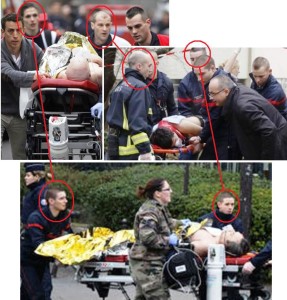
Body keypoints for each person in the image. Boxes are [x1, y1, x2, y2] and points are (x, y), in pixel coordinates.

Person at [129, 178, 191, 300]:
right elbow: (148, 237)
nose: (171, 191)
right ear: (157, 193)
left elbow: (164, 223)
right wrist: (169, 240)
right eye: (168, 189)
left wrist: (180, 223)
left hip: (149, 262)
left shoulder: (158, 208)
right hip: (147, 264)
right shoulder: (149, 210)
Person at [209, 74, 287, 160]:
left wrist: (264, 160)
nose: (211, 98)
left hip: (278, 145)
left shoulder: (243, 107)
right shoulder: (237, 91)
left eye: (213, 94)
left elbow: (269, 130)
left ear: (226, 91)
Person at [1, 13, 45, 160]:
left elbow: (47, 66)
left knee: (20, 157)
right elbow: (8, 74)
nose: (15, 35)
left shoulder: (33, 48)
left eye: (18, 30)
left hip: (20, 113)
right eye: (10, 31)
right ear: (2, 33)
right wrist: (33, 76)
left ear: (24, 30)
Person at [21, 187, 72, 299]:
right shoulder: (36, 218)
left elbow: (70, 238)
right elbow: (39, 245)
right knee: (37, 295)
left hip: (42, 261)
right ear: (51, 201)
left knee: (44, 291)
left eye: (66, 198)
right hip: (27, 260)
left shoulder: (64, 217)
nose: (66, 201)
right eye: (61, 198)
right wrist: (57, 256)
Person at [189, 55, 242, 160]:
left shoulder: (219, 84)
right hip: (217, 132)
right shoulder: (211, 81)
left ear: (212, 68)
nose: (199, 79)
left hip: (227, 135)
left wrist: (201, 137)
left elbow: (214, 116)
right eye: (196, 75)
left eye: (202, 74)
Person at [106, 50, 154, 160]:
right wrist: (145, 150)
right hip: (131, 149)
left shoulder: (120, 85)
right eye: (149, 66)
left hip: (115, 145)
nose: (150, 70)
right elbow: (137, 122)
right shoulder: (139, 87)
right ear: (139, 66)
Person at [21, 163, 53, 300]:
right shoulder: (34, 192)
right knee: (35, 291)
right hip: (31, 251)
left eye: (28, 175)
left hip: (36, 249)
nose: (25, 178)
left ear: (38, 176)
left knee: (40, 292)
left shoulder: (42, 193)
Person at [147, 51, 178, 125]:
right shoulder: (139, 82)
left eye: (149, 65)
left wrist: (174, 125)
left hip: (161, 126)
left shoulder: (167, 82)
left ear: (156, 63)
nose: (146, 67)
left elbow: (172, 108)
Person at [177, 48, 207, 117]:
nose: (195, 62)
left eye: (198, 59)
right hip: (198, 123)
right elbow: (184, 112)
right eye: (192, 59)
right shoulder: (185, 84)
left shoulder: (215, 77)